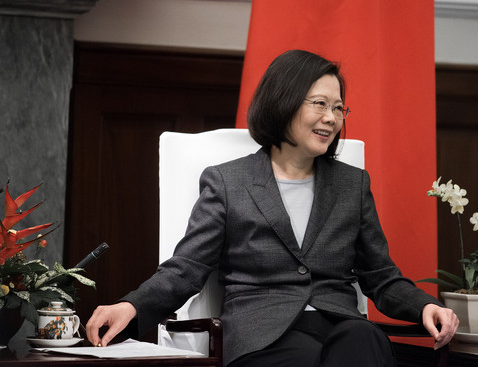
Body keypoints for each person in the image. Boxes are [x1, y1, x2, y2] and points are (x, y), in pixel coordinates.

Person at [86, 49, 458, 366]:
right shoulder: (228, 182)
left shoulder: (352, 184)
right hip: (262, 336)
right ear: (283, 102)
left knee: (365, 339)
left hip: (339, 325)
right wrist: (131, 306)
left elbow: (381, 276)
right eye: (320, 104)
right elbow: (187, 269)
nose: (332, 117)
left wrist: (424, 306)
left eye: (338, 107)